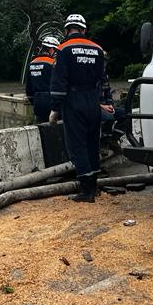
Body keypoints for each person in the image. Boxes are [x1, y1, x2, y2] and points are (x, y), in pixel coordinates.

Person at [50, 14, 105, 202]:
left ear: (67, 30)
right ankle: (95, 186)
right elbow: (103, 80)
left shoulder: (63, 50)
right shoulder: (98, 50)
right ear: (84, 29)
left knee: (77, 146)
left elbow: (59, 81)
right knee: (92, 143)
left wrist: (55, 108)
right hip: (93, 101)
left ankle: (86, 190)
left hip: (74, 100)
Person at [25, 36, 59, 123]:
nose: (56, 53)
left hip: (37, 103)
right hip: (51, 103)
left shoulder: (31, 64)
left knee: (41, 130)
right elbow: (58, 85)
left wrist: (35, 101)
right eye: (56, 50)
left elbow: (28, 90)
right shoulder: (53, 64)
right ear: (51, 49)